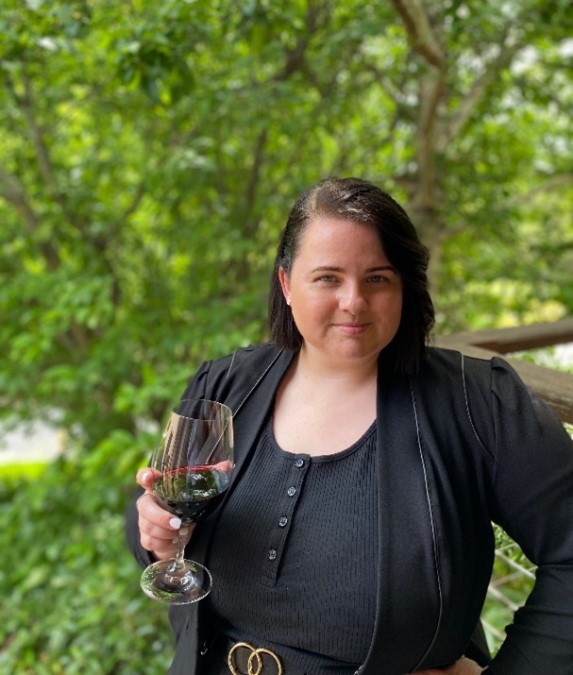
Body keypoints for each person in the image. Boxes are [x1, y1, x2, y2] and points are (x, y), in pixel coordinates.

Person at [126, 177, 573, 674]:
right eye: (328, 278)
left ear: (405, 285)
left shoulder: (479, 404)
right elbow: (153, 513)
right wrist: (157, 535)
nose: (354, 301)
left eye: (377, 278)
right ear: (286, 285)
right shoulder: (227, 384)